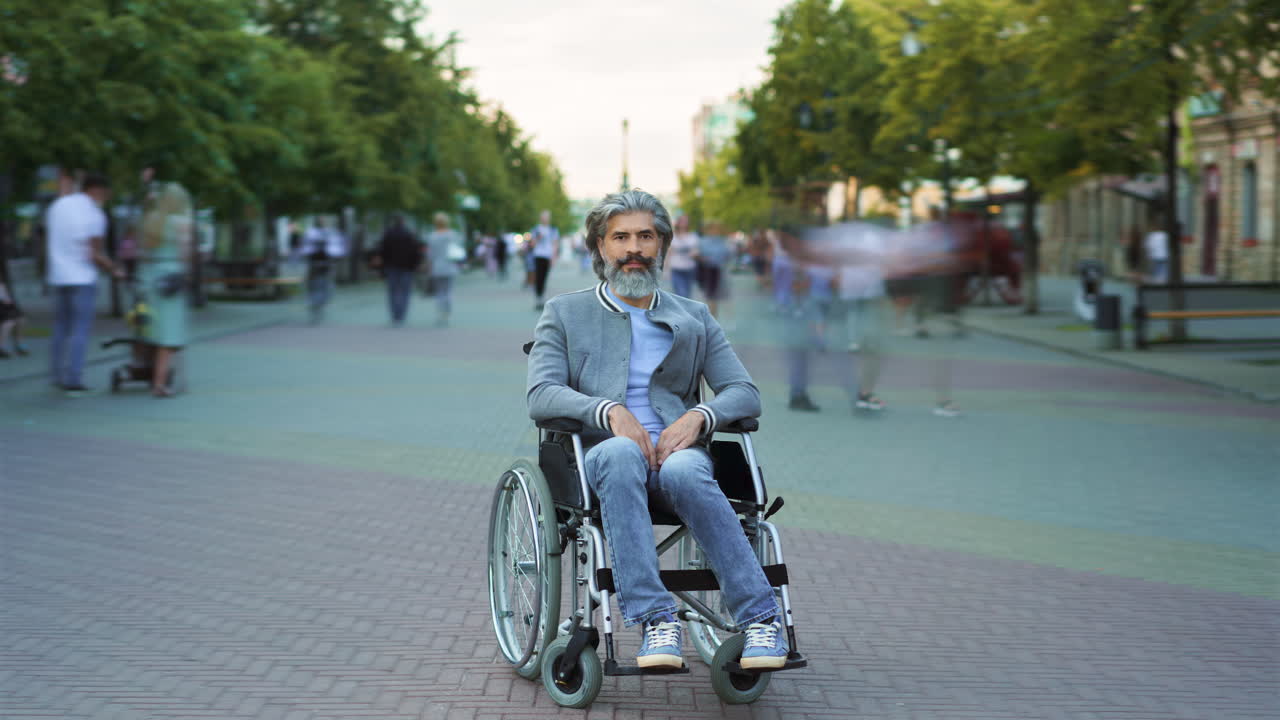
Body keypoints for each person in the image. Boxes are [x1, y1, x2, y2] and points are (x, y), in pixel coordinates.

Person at [527, 189, 788, 671]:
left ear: (662, 245)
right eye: (620, 237)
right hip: (601, 457)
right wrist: (607, 412)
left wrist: (700, 416)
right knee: (622, 455)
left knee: (688, 471)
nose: (634, 249)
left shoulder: (694, 316)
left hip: (679, 455)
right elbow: (541, 394)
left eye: (645, 236)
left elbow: (743, 391)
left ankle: (760, 619)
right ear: (600, 247)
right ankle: (654, 618)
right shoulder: (565, 313)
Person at [46, 173, 120, 395]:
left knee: (60, 327)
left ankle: (56, 375)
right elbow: (93, 253)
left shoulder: (58, 205)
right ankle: (73, 379)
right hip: (82, 278)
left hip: (59, 276)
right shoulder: (94, 214)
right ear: (97, 190)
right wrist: (114, 269)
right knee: (80, 329)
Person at [135, 182, 192, 397]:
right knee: (170, 332)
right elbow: (185, 251)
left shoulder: (151, 220)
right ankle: (159, 383)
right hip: (171, 278)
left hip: (151, 276)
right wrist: (186, 273)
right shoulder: (179, 221)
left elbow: (142, 251)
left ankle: (149, 372)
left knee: (152, 328)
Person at [373, 215, 423, 326]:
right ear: (403, 222)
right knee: (405, 291)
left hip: (391, 267)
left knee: (392, 291)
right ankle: (402, 314)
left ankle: (395, 314)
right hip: (407, 267)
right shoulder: (409, 234)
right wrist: (416, 265)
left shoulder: (388, 234)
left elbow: (382, 251)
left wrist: (382, 265)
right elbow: (416, 252)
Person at [300, 218, 344, 324]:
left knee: (324, 288)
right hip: (316, 267)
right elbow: (305, 250)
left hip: (324, 267)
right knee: (317, 287)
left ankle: (316, 304)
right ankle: (315, 304)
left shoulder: (329, 235)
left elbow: (337, 251)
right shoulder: (312, 235)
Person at [424, 212, 461, 327]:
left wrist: (428, 266)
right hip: (450, 266)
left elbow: (430, 254)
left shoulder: (432, 236)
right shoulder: (453, 235)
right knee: (448, 291)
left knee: (439, 292)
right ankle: (447, 313)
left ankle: (440, 313)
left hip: (437, 266)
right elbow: (457, 250)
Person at [696, 220, 732, 317]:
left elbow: (728, 255)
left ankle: (712, 315)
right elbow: (697, 254)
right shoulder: (702, 241)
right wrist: (702, 258)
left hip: (716, 270)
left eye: (716, 229)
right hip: (705, 270)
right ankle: (710, 315)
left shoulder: (722, 241)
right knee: (708, 295)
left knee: (712, 295)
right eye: (711, 229)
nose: (714, 231)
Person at [529, 210, 559, 310]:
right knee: (538, 277)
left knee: (544, 277)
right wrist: (538, 237)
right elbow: (532, 244)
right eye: (543, 217)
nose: (545, 219)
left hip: (547, 256)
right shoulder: (536, 229)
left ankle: (541, 297)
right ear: (540, 218)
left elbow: (555, 244)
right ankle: (538, 298)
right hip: (538, 256)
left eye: (547, 217)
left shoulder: (553, 230)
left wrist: (553, 258)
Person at [667, 215, 699, 298]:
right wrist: (667, 269)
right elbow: (668, 253)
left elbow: (697, 251)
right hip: (676, 268)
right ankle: (681, 310)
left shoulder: (693, 236)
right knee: (681, 293)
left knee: (687, 295)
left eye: (686, 221)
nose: (684, 223)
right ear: (678, 222)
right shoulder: (672, 236)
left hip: (690, 269)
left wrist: (694, 254)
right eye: (682, 221)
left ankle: (683, 310)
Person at [1143, 219, 1170, 284]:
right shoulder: (1165, 235)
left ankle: (1156, 281)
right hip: (1164, 255)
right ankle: (1162, 281)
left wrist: (1148, 254)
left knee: (1155, 270)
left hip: (1154, 255)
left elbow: (1147, 245)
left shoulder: (1151, 235)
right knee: (1162, 270)